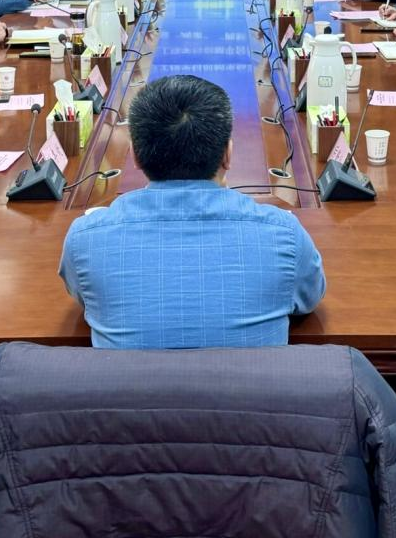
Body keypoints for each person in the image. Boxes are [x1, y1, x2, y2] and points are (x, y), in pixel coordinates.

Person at [59, 74, 326, 349]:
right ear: (228, 154)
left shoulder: (84, 240)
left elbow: (87, 298)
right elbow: (309, 298)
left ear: (135, 155)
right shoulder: (285, 236)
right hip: (245, 380)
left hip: (130, 380)